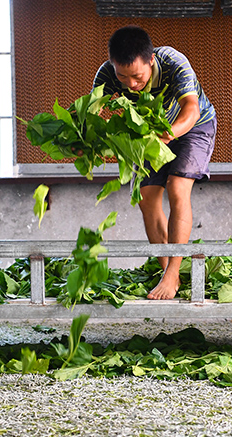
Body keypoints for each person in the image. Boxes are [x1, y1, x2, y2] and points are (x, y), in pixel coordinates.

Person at [93, 25, 217, 300]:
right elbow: (91, 116)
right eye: (123, 77)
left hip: (193, 126)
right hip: (149, 132)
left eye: (137, 76)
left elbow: (191, 109)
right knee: (146, 197)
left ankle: (173, 272)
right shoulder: (106, 74)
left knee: (177, 187)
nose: (131, 84)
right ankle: (168, 274)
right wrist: (86, 143)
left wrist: (167, 136)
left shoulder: (174, 62)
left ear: (151, 60)